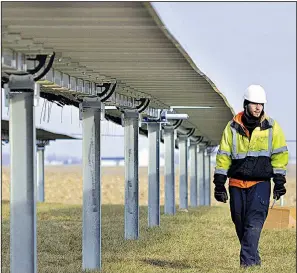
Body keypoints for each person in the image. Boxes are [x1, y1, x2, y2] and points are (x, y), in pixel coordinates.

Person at [213, 84, 288, 268]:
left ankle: (247, 264)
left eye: (261, 104)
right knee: (240, 224)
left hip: (260, 184)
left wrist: (279, 182)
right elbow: (223, 156)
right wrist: (219, 184)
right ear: (246, 104)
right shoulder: (232, 127)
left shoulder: (272, 127)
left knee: (254, 223)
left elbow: (279, 156)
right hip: (237, 183)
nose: (258, 108)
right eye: (254, 104)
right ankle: (254, 261)